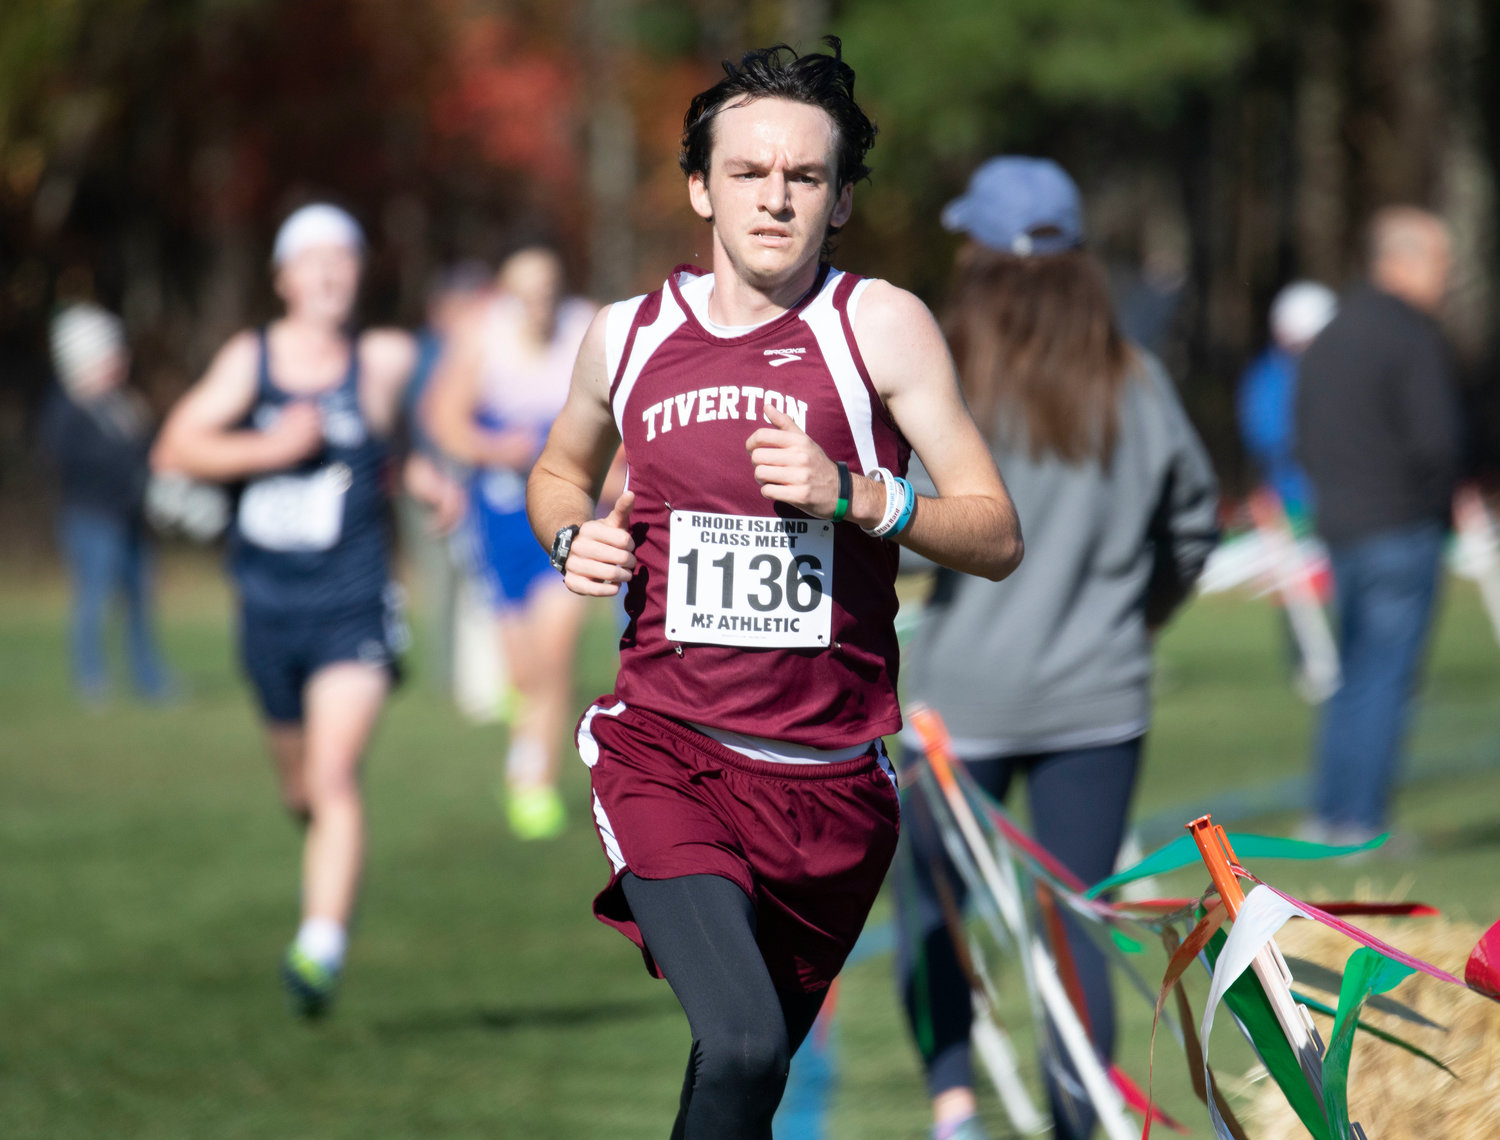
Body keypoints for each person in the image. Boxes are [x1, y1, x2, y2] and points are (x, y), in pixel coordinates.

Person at [526, 39, 1023, 1139]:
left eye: (805, 177)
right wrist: (569, 536)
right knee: (746, 1045)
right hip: (670, 755)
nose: (775, 199)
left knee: (738, 1084)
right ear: (701, 186)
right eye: (749, 173)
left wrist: (858, 495)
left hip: (834, 793)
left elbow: (995, 532)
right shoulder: (628, 336)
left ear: (842, 199)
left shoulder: (879, 327)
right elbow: (558, 469)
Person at [892, 156, 1219, 1140]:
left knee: (932, 910)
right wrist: (1137, 612)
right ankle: (1082, 1121)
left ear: (981, 257)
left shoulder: (939, 377)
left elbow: (895, 511)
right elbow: (1192, 528)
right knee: (1079, 921)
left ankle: (954, 1106)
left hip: (956, 702)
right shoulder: (1139, 380)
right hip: (1099, 697)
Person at [152, 203, 424, 1018]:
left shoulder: (377, 365)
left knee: (336, 774)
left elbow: (397, 452)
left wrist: (426, 481)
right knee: (301, 789)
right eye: (313, 260)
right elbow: (175, 447)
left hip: (353, 606)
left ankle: (320, 946)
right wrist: (270, 449)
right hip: (267, 609)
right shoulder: (253, 360)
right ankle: (322, 880)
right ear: (283, 278)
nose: (331, 272)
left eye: (343, 257)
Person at [1294, 206, 1463, 844]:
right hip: (1399, 524)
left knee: (1354, 675)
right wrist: (1431, 502)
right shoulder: (1411, 335)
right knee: (1385, 677)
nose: (1447, 277)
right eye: (1442, 262)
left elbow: (1303, 431)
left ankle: (1331, 810)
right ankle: (1361, 820)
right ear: (1405, 261)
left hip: (1342, 525)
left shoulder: (1334, 334)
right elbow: (1438, 439)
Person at [424, 245, 596, 839]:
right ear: (504, 295)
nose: (538, 305)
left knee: (554, 651)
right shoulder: (482, 337)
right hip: (498, 520)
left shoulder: (586, 329)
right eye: (525, 293)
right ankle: (525, 757)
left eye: (547, 291)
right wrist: (500, 449)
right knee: (525, 668)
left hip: (568, 514)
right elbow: (443, 419)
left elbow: (623, 414)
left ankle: (534, 783)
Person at [39, 303, 174, 705]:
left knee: (139, 601)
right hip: (91, 519)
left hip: (130, 518)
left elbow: (144, 452)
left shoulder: (122, 405)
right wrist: (124, 477)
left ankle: (149, 679)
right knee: (94, 600)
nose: (119, 361)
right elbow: (68, 460)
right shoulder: (66, 409)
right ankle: (92, 680)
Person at [1237, 281, 1338, 525]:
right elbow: (1267, 438)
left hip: (1342, 504)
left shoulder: (1341, 370)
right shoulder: (1269, 377)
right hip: (1293, 505)